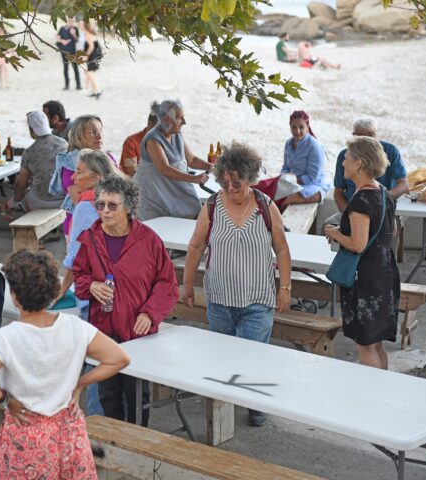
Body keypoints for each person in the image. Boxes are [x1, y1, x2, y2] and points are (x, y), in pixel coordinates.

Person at [0, 250, 129, 479]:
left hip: (26, 437)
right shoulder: (75, 327)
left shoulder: (5, 338)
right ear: (53, 292)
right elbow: (119, 358)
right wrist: (80, 384)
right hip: (69, 432)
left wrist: (5, 397)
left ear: (14, 295)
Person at [182, 143, 292, 427]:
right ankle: (224, 404)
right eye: (225, 182)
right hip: (220, 298)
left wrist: (285, 288)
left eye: (237, 182)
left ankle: (255, 403)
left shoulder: (266, 207)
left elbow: (281, 250)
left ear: (250, 178)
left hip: (258, 298)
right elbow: (195, 247)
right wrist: (187, 285)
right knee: (222, 355)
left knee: (253, 355)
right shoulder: (211, 207)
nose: (230, 187)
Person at [73, 176, 179, 425]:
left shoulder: (148, 240)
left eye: (112, 205)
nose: (105, 211)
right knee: (107, 394)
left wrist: (149, 313)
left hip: (137, 331)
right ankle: (114, 440)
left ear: (128, 206)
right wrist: (91, 285)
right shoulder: (91, 238)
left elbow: (167, 284)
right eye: (101, 205)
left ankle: (138, 438)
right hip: (104, 329)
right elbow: (79, 276)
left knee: (137, 396)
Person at [324, 136, 399, 369]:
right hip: (385, 275)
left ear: (358, 163)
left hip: (364, 281)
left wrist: (334, 233)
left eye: (346, 158)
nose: (342, 163)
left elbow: (358, 245)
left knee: (365, 346)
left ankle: (370, 390)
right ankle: (381, 386)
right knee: (377, 344)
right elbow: (392, 232)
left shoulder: (360, 200)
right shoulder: (384, 193)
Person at [57, 149, 121, 415]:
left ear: (96, 178)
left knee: (95, 361)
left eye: (80, 172)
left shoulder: (86, 206)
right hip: (120, 291)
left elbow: (75, 258)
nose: (73, 178)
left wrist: (59, 291)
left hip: (95, 293)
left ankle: (97, 421)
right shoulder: (118, 201)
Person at [134, 99, 212, 221]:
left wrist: (212, 166)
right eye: (180, 118)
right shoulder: (153, 139)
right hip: (153, 198)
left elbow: (191, 160)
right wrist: (194, 178)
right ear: (167, 119)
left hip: (172, 192)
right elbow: (164, 169)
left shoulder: (177, 134)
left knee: (194, 215)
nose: (184, 122)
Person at [49, 115, 114, 237]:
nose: (99, 136)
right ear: (79, 136)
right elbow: (78, 201)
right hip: (82, 230)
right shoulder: (69, 164)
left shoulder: (108, 158)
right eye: (93, 132)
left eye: (100, 131)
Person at [333, 117, 409, 212]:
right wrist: (348, 213)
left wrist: (381, 201)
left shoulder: (390, 151)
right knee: (329, 222)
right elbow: (338, 193)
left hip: (383, 207)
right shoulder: (345, 155)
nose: (344, 163)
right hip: (352, 208)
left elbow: (403, 185)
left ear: (373, 136)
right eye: (356, 136)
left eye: (362, 138)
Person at [5, 111, 67, 212]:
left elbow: (21, 184)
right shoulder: (64, 144)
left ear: (31, 129)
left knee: (27, 191)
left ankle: (22, 215)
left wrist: (14, 201)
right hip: (63, 199)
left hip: (41, 202)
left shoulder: (29, 152)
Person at [280, 110, 331, 206]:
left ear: (307, 127)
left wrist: (290, 180)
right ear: (290, 127)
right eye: (294, 127)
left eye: (301, 127)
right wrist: (282, 179)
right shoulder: (288, 143)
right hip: (292, 183)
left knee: (282, 201)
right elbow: (285, 167)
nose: (297, 131)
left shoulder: (314, 146)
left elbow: (312, 177)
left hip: (313, 186)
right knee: (269, 196)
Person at [120, 102, 159, 176]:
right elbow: (133, 173)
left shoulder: (166, 140)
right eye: (160, 130)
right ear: (149, 124)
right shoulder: (130, 142)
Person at [56, 17, 82, 90]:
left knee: (75, 68)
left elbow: (77, 40)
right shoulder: (62, 28)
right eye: (69, 21)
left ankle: (78, 85)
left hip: (72, 51)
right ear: (66, 21)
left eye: (72, 21)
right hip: (64, 51)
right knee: (65, 68)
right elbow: (58, 38)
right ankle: (67, 85)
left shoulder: (75, 29)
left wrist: (74, 34)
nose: (71, 22)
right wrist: (62, 41)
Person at [83, 21, 103, 99]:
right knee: (90, 74)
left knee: (90, 74)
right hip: (94, 57)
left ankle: (98, 91)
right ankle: (95, 91)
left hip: (92, 57)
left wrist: (86, 56)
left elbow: (91, 47)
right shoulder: (90, 33)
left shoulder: (88, 34)